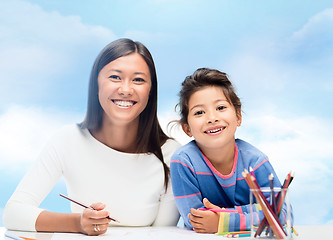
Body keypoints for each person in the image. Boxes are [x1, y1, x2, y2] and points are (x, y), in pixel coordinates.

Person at [3, 38, 180, 235]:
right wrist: (77, 223)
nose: (125, 89)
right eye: (115, 77)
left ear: (151, 90)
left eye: (138, 79)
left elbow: (165, 233)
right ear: (96, 83)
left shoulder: (171, 155)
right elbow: (13, 213)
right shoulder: (68, 139)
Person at [170, 68, 293, 233]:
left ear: (238, 116)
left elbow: (282, 213)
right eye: (199, 112)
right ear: (187, 129)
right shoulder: (184, 161)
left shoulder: (255, 161)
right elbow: (196, 220)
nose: (212, 118)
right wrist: (254, 210)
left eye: (220, 107)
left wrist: (223, 220)